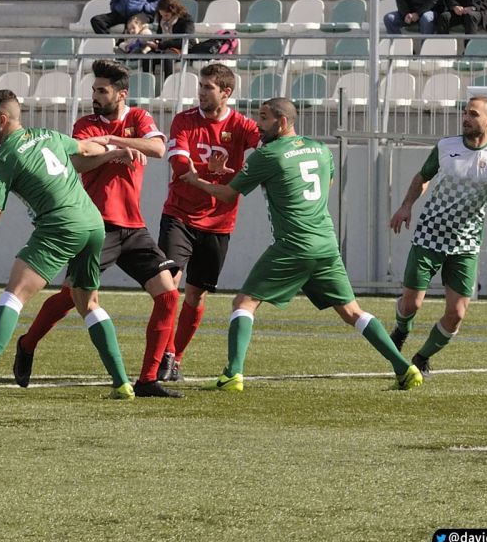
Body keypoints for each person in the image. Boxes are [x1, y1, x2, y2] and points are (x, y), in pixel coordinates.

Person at [180, 97, 425, 392]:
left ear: (282, 122)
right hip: (325, 243)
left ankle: (233, 374)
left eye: (265, 118)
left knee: (244, 302)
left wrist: (195, 180)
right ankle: (403, 367)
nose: (259, 124)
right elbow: (328, 184)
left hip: (293, 244)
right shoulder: (321, 150)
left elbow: (228, 195)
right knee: (353, 313)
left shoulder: (268, 155)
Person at [0, 89, 144, 401]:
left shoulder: (5, 158)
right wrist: (113, 150)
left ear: (2, 119)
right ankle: (121, 383)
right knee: (87, 303)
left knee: (13, 296)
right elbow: (85, 150)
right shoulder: (48, 135)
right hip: (92, 223)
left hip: (60, 226)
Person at [12, 60, 183, 398]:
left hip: (134, 227)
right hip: (95, 224)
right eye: (93, 89)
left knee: (168, 295)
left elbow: (160, 148)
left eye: (101, 91)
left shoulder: (137, 118)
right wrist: (114, 152)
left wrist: (118, 141)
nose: (95, 96)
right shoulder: (85, 124)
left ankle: (148, 379)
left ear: (121, 94)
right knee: (71, 296)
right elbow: (77, 161)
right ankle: (28, 344)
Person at [388, 96, 487, 375]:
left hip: (465, 245)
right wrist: (406, 206)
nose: (466, 118)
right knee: (411, 304)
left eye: (473, 114)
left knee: (456, 315)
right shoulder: (447, 146)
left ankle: (421, 357)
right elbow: (422, 177)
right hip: (429, 236)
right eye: (465, 113)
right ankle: (402, 329)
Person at [155, 63, 259, 382]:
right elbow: (179, 164)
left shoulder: (243, 126)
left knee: (196, 296)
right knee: (168, 285)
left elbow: (269, 150)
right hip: (180, 215)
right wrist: (204, 171)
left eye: (207, 87)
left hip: (218, 224)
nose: (200, 92)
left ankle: (175, 357)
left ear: (225, 92)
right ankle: (164, 355)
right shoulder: (185, 120)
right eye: (200, 86)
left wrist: (237, 174)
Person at [142, 0, 196, 80]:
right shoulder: (162, 20)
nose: (164, 18)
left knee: (167, 56)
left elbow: (187, 40)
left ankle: (167, 85)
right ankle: (147, 85)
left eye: (166, 15)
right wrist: (155, 42)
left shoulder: (186, 19)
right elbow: (160, 35)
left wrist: (161, 45)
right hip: (163, 48)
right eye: (161, 15)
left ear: (173, 12)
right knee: (148, 57)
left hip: (180, 48)